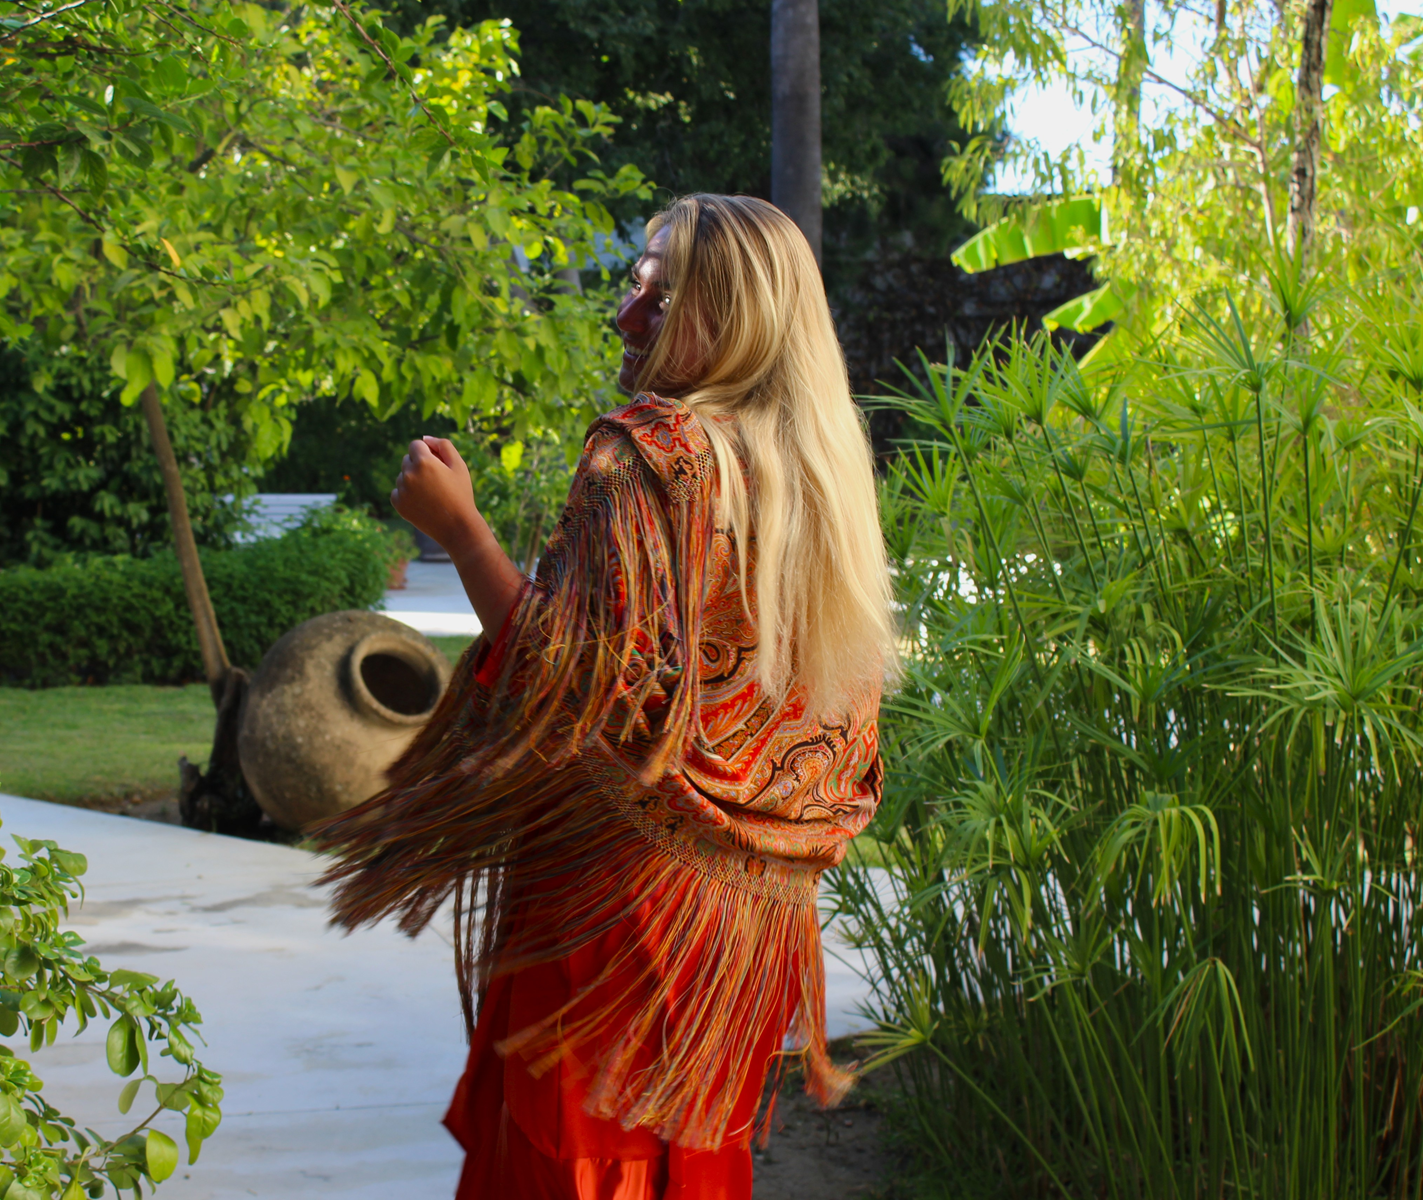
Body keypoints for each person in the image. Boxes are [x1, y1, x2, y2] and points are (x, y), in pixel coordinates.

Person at [314, 194, 899, 1199]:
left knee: (577, 1153)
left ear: (735, 319)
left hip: (613, 904)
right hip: (737, 923)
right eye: (637, 285)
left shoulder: (645, 454)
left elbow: (569, 679)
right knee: (683, 1153)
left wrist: (461, 532)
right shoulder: (819, 474)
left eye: (662, 297)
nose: (628, 317)